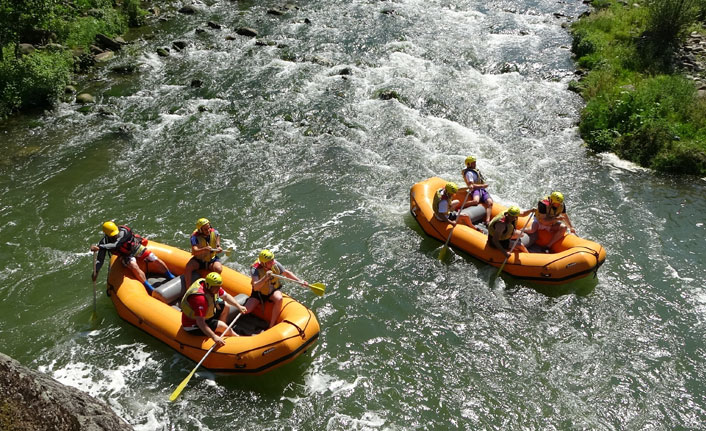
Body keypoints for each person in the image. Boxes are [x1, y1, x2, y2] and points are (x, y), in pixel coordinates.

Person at [90, 221, 175, 294]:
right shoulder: (104, 242)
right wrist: (96, 270)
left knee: (152, 257)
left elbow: (116, 244)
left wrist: (99, 247)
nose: (115, 236)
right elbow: (100, 259)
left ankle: (170, 275)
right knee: (133, 265)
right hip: (124, 255)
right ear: (106, 234)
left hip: (135, 248)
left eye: (115, 234)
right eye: (112, 236)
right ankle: (149, 288)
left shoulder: (124, 232)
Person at [243, 249, 308, 329]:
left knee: (279, 298)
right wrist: (265, 277)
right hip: (259, 293)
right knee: (246, 310)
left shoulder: (275, 264)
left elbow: (286, 273)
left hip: (273, 290)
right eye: (269, 262)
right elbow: (256, 286)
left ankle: (271, 325)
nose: (272, 262)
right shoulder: (255, 269)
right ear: (263, 263)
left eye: (272, 260)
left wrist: (299, 281)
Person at [180, 272, 247, 346]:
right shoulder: (200, 299)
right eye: (216, 287)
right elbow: (200, 322)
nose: (218, 289)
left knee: (226, 306)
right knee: (222, 326)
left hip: (206, 316)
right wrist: (214, 337)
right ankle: (237, 338)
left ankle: (220, 330)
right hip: (193, 325)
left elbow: (226, 296)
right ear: (208, 286)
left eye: (219, 286)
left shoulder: (212, 287)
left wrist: (238, 306)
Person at [184, 218, 223, 289]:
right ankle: (188, 288)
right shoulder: (194, 237)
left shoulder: (215, 233)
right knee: (188, 268)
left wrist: (218, 248)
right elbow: (195, 251)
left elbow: (217, 245)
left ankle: (215, 288)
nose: (208, 230)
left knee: (218, 269)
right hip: (199, 260)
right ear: (200, 230)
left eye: (209, 228)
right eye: (205, 229)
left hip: (211, 260)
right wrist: (204, 249)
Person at [462, 156, 494, 224]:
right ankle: (462, 205)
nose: (475, 164)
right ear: (468, 164)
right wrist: (483, 185)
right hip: (475, 190)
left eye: (475, 162)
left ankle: (487, 221)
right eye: (473, 163)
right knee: (476, 201)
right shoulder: (469, 173)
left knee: (490, 202)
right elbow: (471, 185)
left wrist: (482, 187)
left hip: (482, 190)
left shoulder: (475, 170)